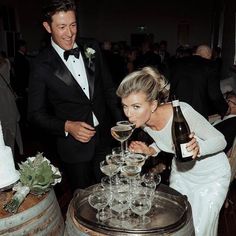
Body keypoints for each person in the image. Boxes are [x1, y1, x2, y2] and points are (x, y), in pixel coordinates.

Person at [116, 66, 230, 236]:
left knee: (199, 229)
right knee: (176, 225)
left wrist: (199, 148)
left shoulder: (180, 111)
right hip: (183, 173)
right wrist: (150, 150)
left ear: (153, 104)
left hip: (211, 175)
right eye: (125, 106)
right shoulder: (144, 121)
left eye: (136, 106)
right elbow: (165, 141)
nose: (129, 114)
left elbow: (220, 140)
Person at [28, 0, 122, 191]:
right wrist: (67, 126)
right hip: (75, 148)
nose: (70, 33)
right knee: (84, 199)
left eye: (73, 25)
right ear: (47, 27)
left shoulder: (92, 47)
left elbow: (108, 89)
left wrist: (121, 125)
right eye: (62, 27)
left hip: (106, 137)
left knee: (112, 190)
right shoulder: (41, 65)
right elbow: (35, 114)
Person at [169, 44, 229, 120]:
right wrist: (225, 109)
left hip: (176, 111)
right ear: (209, 56)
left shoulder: (177, 62)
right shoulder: (211, 66)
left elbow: (172, 87)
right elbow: (214, 95)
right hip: (197, 113)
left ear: (196, 52)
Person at [0, 54, 23, 156]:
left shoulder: (5, 63)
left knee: (9, 125)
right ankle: (18, 150)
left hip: (5, 97)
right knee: (12, 125)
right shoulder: (6, 63)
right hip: (6, 96)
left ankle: (11, 153)